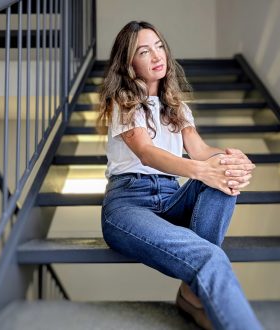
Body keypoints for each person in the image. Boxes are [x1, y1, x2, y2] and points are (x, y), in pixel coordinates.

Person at [97, 21, 263, 330]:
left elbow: (199, 150)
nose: (157, 55)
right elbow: (146, 153)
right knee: (210, 257)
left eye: (159, 46)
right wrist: (203, 170)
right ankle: (195, 288)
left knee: (224, 169)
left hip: (172, 198)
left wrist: (231, 157)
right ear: (130, 64)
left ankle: (191, 290)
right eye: (144, 51)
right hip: (129, 204)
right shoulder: (124, 102)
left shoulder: (178, 107)